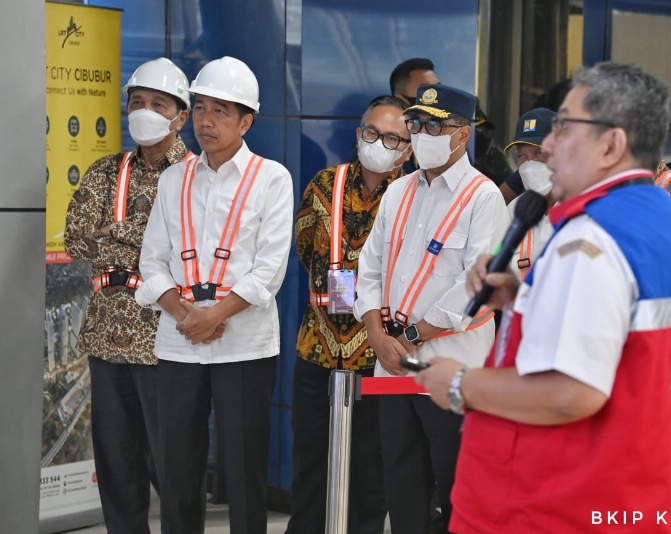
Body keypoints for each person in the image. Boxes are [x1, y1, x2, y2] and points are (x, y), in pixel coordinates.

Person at [416, 62, 671, 532]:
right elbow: (628, 349)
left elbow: (574, 392)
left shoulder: (593, 237)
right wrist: (524, 299)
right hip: (643, 499)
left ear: (611, 143)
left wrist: (460, 384)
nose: (549, 144)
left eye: (563, 126)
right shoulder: (665, 222)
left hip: (562, 508)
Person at [135, 56, 294, 533]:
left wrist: (215, 314)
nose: (206, 120)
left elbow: (269, 269)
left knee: (244, 468)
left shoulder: (272, 178)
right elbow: (152, 261)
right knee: (177, 466)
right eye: (201, 107)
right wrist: (187, 315)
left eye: (221, 110)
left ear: (247, 121)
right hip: (179, 341)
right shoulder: (174, 178)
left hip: (244, 345)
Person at [354, 83, 508, 534]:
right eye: (416, 124)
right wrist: (377, 336)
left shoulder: (483, 197)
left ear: (463, 134)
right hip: (394, 368)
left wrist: (413, 336)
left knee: (457, 485)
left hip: (452, 366)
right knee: (401, 482)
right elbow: (370, 267)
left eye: (435, 126)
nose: (422, 133)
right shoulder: (399, 191)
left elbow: (474, 286)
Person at [64, 57, 192, 534]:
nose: (144, 111)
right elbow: (76, 237)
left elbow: (184, 244)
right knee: (117, 463)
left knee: (172, 462)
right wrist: (140, 235)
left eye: (158, 104)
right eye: (137, 102)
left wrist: (117, 236)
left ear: (180, 116)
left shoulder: (196, 174)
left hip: (169, 340)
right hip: (106, 337)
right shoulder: (106, 170)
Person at [286, 95, 412, 534]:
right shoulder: (324, 184)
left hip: (381, 360)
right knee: (311, 470)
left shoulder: (414, 198)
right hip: (317, 350)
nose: (380, 142)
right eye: (372, 133)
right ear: (359, 134)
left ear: (408, 149)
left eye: (393, 137)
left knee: (370, 477)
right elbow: (305, 246)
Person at [499, 108, 556, 204]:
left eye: (540, 153)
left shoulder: (584, 211)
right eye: (521, 156)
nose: (529, 166)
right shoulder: (514, 211)